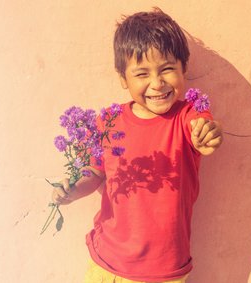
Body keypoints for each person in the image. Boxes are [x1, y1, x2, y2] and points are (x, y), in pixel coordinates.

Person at [52, 7, 223, 283]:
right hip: (106, 263)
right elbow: (94, 172)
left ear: (184, 69)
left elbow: (205, 129)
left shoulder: (187, 115)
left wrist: (210, 134)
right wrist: (72, 190)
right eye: (142, 74)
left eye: (167, 69)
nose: (157, 83)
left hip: (164, 272)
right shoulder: (107, 122)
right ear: (123, 78)